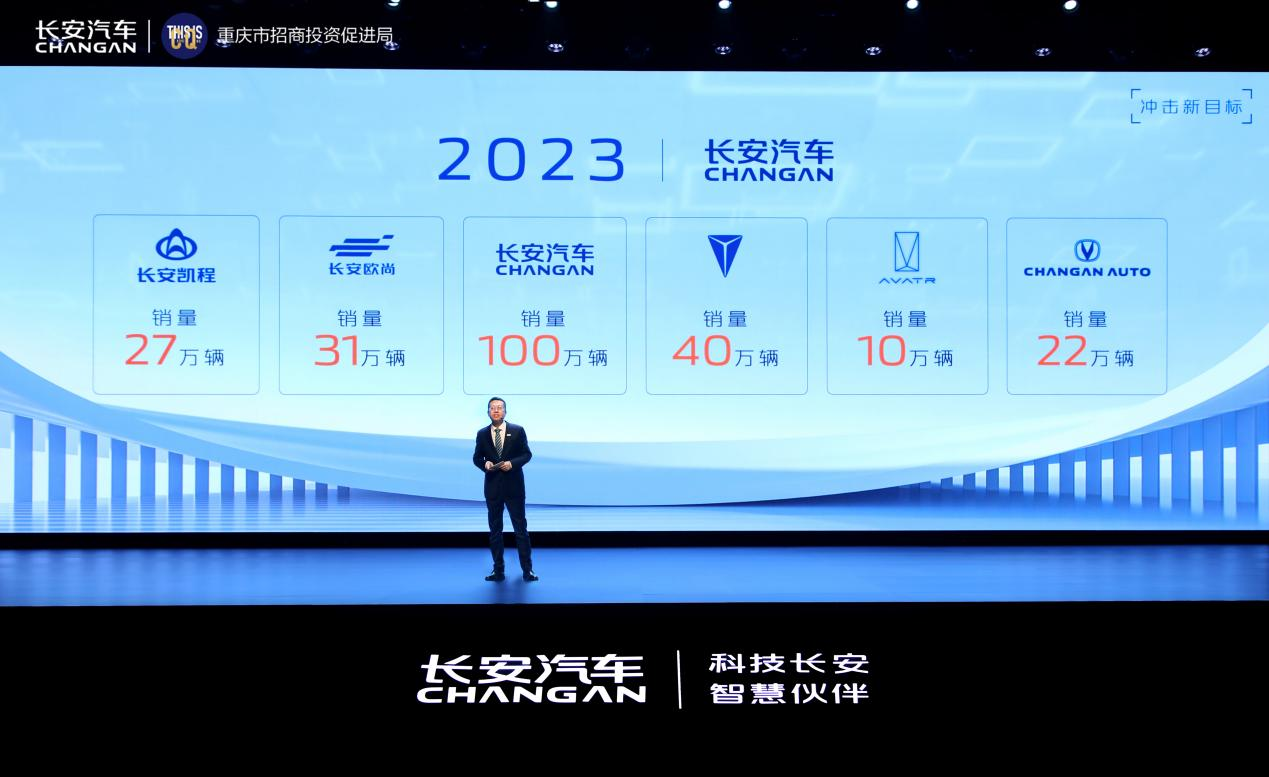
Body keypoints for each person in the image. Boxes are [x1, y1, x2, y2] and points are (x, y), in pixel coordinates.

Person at [473, 397, 537, 582]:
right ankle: (498, 570)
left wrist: (512, 463)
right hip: (493, 488)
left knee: (520, 530)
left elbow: (527, 454)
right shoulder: (482, 433)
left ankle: (528, 570)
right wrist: (485, 464)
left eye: (499, 408)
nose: (496, 410)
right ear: (488, 412)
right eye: (492, 408)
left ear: (505, 411)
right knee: (495, 530)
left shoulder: (517, 430)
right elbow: (477, 458)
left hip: (514, 487)